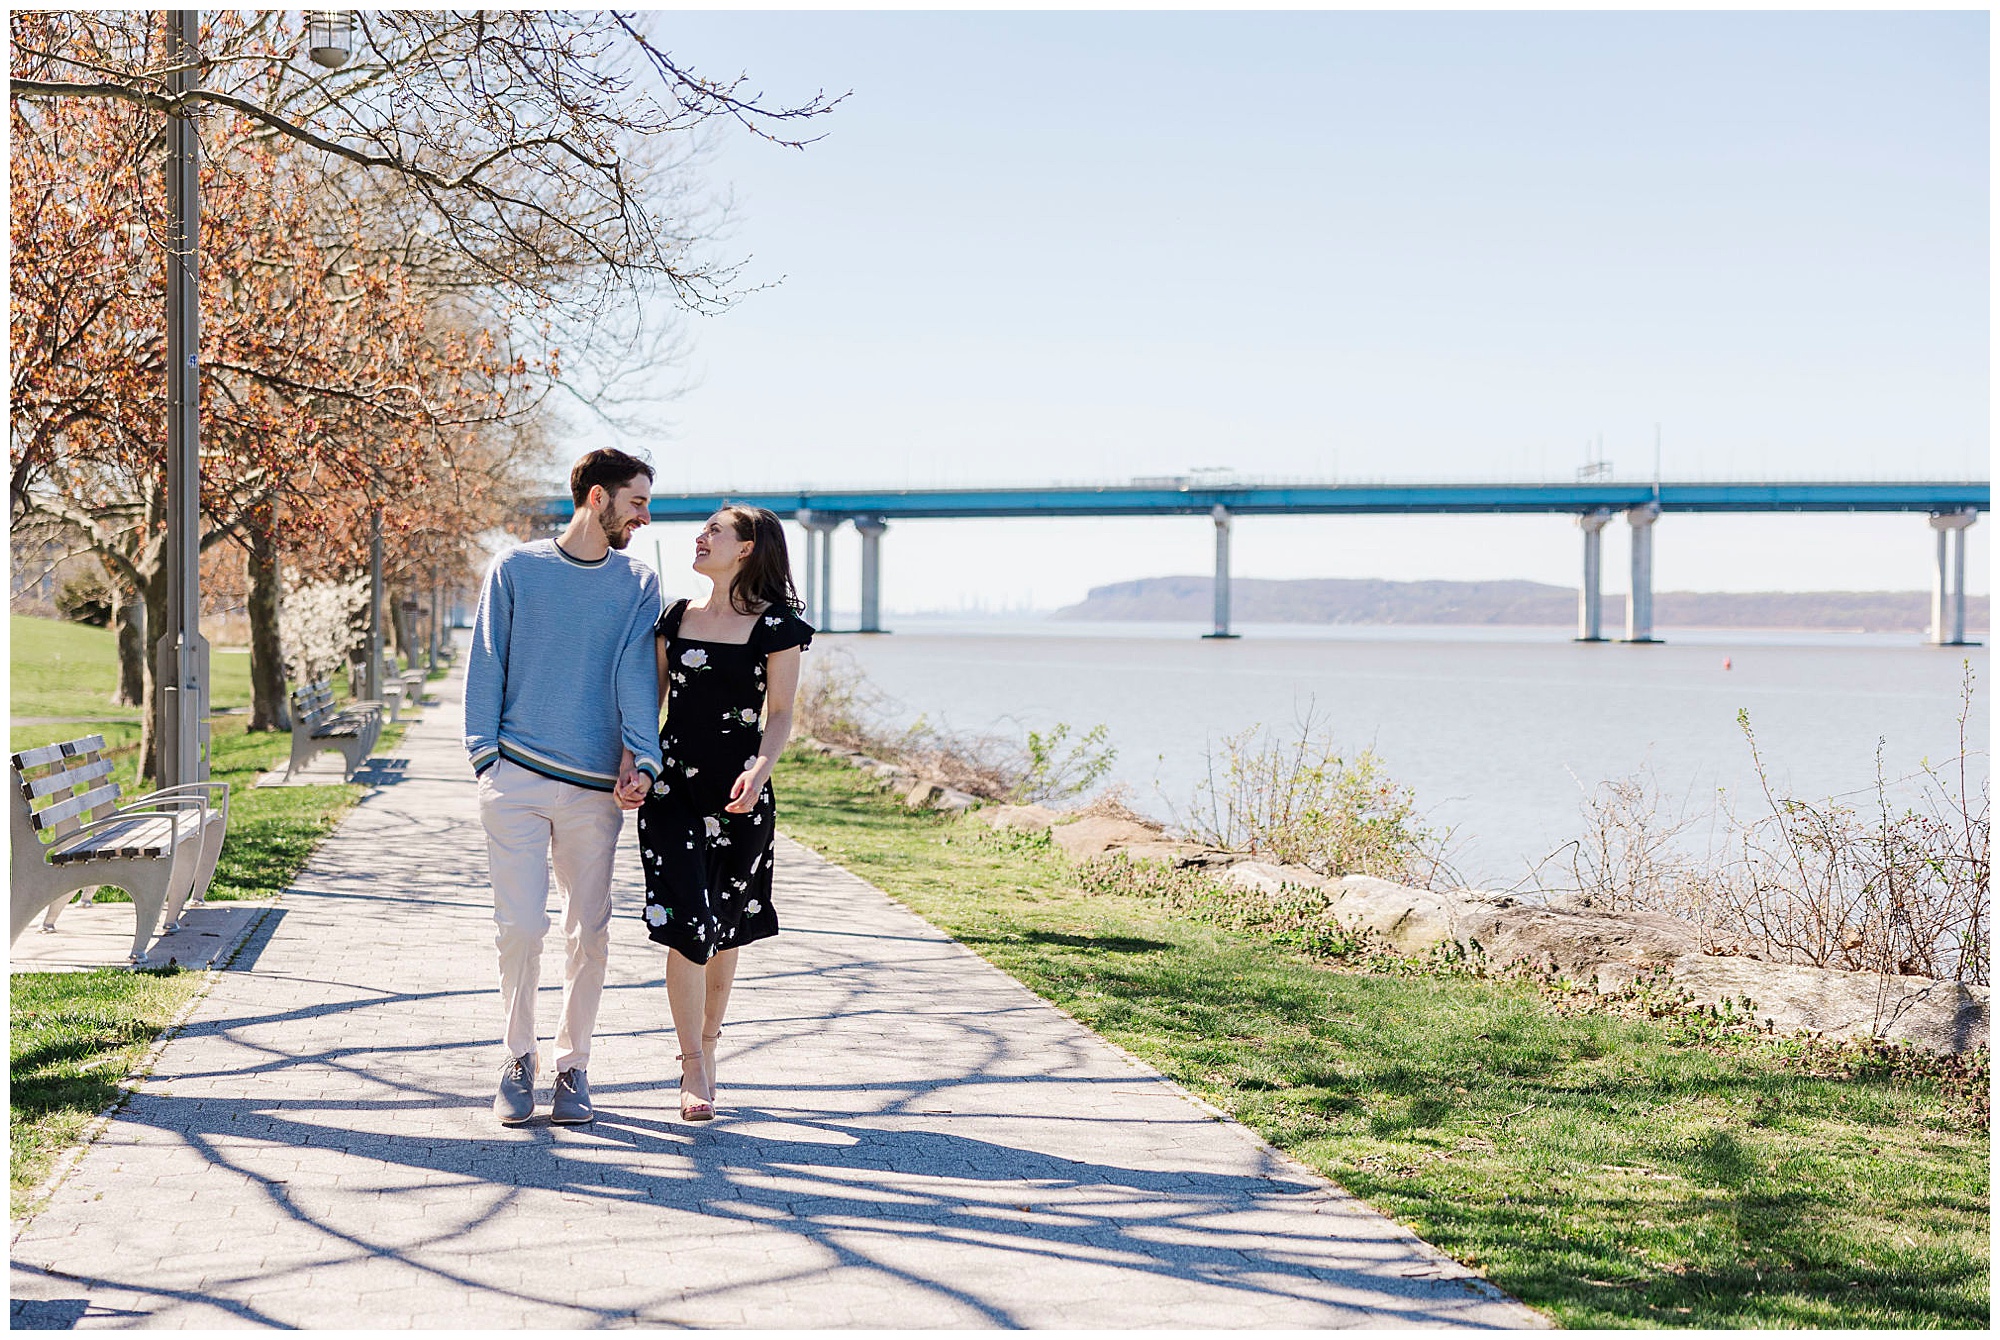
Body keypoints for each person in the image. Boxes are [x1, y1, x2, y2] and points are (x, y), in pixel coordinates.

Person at [464, 448, 662, 1126]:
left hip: (593, 790)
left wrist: (645, 759)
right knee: (519, 928)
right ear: (599, 497)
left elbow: (637, 675)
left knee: (591, 933)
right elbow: (486, 659)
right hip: (515, 778)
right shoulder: (517, 568)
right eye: (637, 501)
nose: (645, 514)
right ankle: (518, 1057)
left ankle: (573, 1066)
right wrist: (485, 757)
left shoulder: (638, 582)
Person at [625, 505, 812, 1121]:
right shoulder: (675, 616)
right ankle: (692, 1065)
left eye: (714, 532)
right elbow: (649, 702)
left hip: (740, 794)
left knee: (723, 927)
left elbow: (779, 713)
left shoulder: (778, 626)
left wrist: (761, 769)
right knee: (686, 924)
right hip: (673, 793)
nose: (699, 539)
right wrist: (634, 763)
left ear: (747, 548)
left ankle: (709, 1045)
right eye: (701, 530)